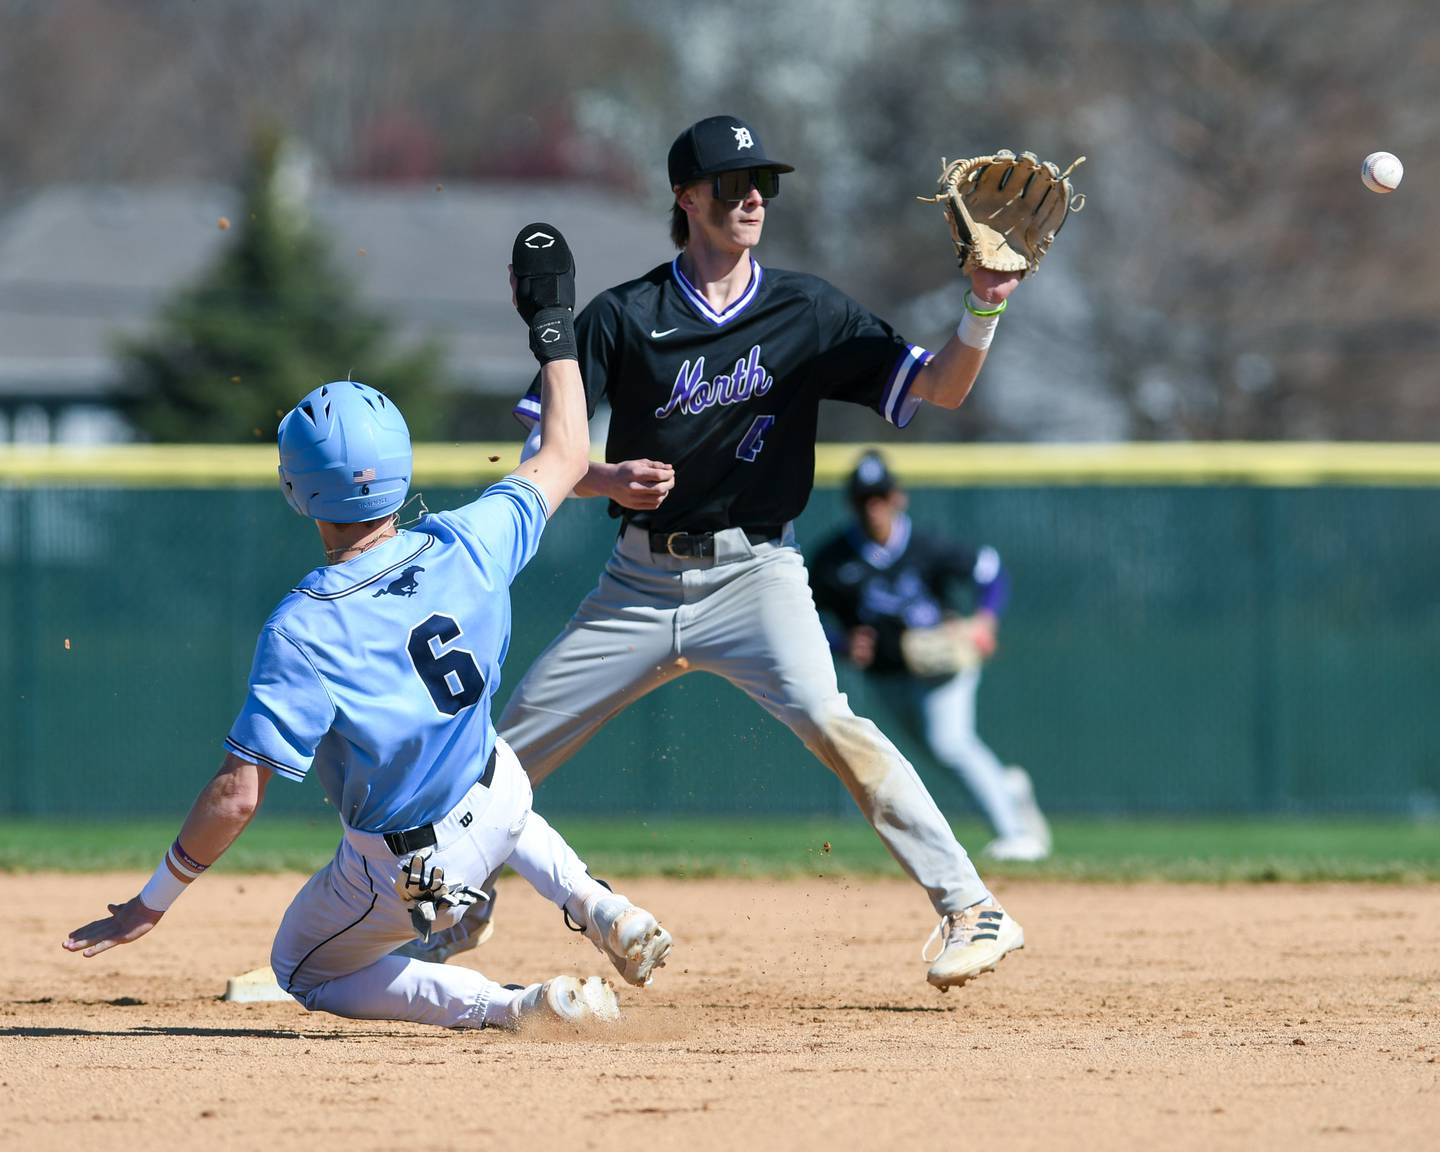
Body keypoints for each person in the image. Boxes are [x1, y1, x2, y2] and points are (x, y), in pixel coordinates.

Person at [426, 115, 1027, 990]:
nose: (753, 197)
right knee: (502, 753)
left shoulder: (808, 310)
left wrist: (983, 303)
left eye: (765, 184)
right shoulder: (624, 317)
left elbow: (939, 387)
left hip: (756, 575)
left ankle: (973, 907)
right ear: (686, 197)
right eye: (733, 183)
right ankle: (452, 908)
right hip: (637, 581)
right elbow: (538, 461)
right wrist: (604, 478)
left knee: (833, 722)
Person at [62, 223, 672, 1031]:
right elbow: (563, 449)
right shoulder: (468, 540)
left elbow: (237, 795)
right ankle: (600, 905)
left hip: (412, 863)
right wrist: (552, 319)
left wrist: (153, 901)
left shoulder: (305, 626)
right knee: (494, 777)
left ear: (299, 491)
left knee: (302, 968)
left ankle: (514, 1006)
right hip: (501, 798)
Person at [810, 450, 1052, 862]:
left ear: (897, 497)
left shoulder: (927, 545)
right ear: (851, 503)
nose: (874, 507)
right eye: (864, 498)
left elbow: (990, 571)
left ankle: (1016, 835)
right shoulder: (834, 560)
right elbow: (800, 610)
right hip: (887, 674)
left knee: (950, 743)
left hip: (942, 666)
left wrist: (985, 621)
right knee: (933, 751)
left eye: (880, 496)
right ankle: (1005, 788)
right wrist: (841, 643)